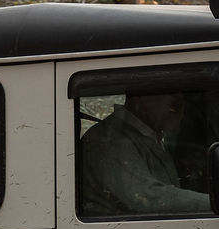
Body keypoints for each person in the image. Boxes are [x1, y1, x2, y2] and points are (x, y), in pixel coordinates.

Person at [76, 92, 211, 217]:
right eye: (175, 106)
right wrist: (215, 203)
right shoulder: (111, 140)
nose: (181, 115)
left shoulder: (146, 136)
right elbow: (147, 198)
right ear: (143, 100)